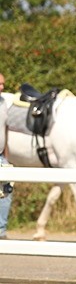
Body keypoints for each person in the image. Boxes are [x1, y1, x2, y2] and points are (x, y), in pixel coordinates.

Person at [0, 73, 11, 239]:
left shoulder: (3, 103)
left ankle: (1, 229)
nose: (2, 87)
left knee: (6, 192)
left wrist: (7, 156)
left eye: (3, 84)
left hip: (1, 156)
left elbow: (5, 129)